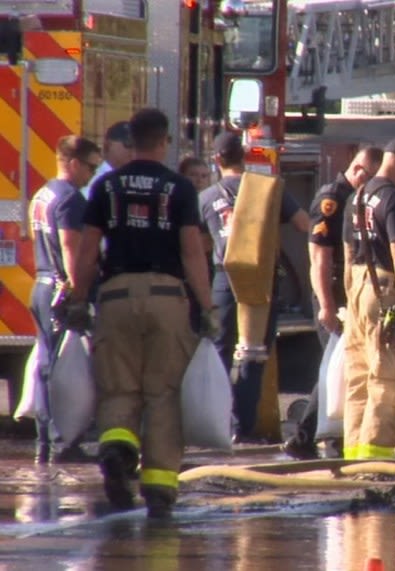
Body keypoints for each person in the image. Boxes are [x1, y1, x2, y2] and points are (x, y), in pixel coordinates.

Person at [66, 107, 215, 519]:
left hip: (114, 296)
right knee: (164, 394)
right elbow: (190, 252)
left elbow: (88, 249)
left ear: (131, 140)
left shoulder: (106, 186)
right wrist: (207, 305)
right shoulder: (179, 188)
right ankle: (160, 490)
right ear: (164, 141)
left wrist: (79, 298)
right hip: (168, 298)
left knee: (118, 388)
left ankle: (116, 447)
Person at [199, 132, 310, 443]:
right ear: (244, 156)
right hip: (262, 278)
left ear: (217, 159)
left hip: (224, 276)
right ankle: (243, 427)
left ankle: (217, 420)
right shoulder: (268, 189)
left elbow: (197, 244)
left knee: (219, 350)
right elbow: (304, 223)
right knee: (254, 351)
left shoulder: (206, 197)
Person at [282, 146, 383, 460]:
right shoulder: (332, 200)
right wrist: (325, 305)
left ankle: (327, 434)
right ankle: (304, 437)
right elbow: (319, 259)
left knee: (341, 367)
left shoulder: (358, 198)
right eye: (365, 175)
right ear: (356, 169)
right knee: (335, 367)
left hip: (349, 293)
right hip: (332, 292)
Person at [340, 138, 395, 460]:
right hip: (384, 290)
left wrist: (351, 294)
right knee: (385, 380)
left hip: (358, 289)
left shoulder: (357, 196)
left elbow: (348, 252)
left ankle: (352, 455)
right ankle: (375, 461)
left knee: (358, 377)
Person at [28, 135, 102, 465]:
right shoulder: (71, 199)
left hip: (42, 286)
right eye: (90, 166)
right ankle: (64, 443)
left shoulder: (43, 193)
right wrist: (77, 291)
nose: (92, 173)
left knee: (47, 365)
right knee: (63, 367)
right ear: (72, 163)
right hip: (62, 290)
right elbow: (71, 247)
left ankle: (45, 440)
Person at [81, 121, 133, 198]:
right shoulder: (95, 179)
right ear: (108, 145)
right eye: (128, 143)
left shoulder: (136, 178)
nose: (133, 149)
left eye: (138, 144)